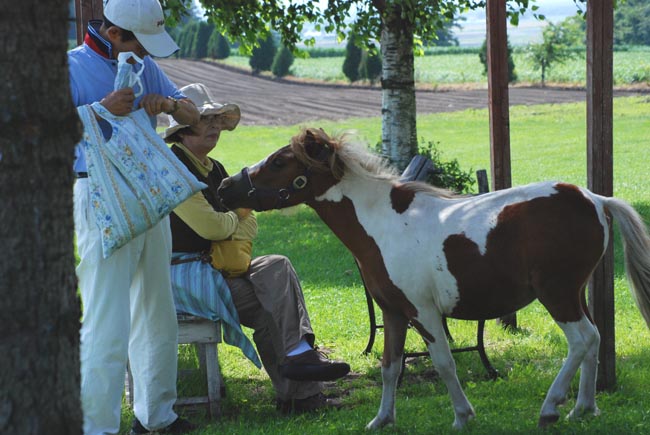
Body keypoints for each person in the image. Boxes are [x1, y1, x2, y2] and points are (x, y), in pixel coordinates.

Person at [163, 83, 351, 414]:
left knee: (276, 264)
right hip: (185, 274)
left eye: (218, 119)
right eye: (206, 119)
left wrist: (230, 224)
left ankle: (298, 356)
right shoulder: (173, 169)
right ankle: (301, 392)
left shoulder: (214, 168)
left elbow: (250, 225)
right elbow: (213, 226)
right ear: (182, 127)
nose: (215, 126)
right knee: (267, 312)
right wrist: (233, 220)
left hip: (220, 264)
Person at [68, 0, 200, 434]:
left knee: (157, 311)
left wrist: (172, 107)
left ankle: (157, 416)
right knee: (107, 320)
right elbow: (37, 133)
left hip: (150, 194)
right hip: (98, 193)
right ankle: (96, 427)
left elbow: (191, 112)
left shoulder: (144, 67)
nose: (146, 54)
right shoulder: (68, 68)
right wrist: (99, 108)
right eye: (141, 44)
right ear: (114, 32)